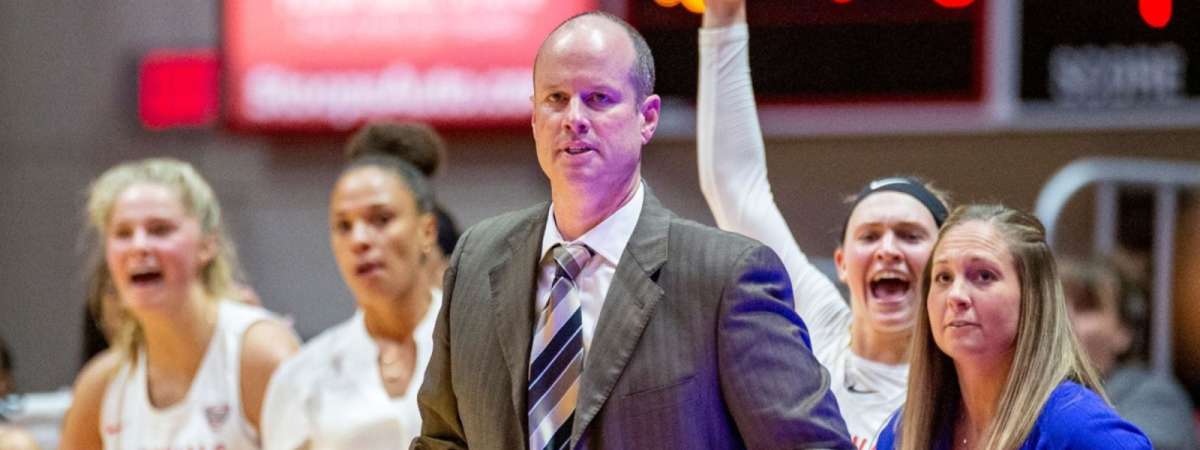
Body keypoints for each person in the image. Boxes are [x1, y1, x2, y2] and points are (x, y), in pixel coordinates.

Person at [413, 11, 851, 450]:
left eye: (599, 98)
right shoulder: (476, 260)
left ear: (648, 117)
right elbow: (442, 439)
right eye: (556, 98)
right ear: (533, 117)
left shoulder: (726, 277)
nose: (573, 118)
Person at [696, 1, 950, 447]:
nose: (887, 248)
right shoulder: (820, 327)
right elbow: (734, 185)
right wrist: (724, 19)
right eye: (869, 236)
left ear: (945, 265)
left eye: (909, 236)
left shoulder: (969, 371)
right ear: (841, 264)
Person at [60, 158, 299, 449]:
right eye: (123, 233)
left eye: (159, 230)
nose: (139, 246)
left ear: (207, 245)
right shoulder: (99, 387)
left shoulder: (260, 355)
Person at [876, 204, 1151, 450]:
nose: (956, 295)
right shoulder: (905, 431)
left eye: (984, 275)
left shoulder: (1077, 428)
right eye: (944, 277)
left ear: (1032, 300)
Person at [261, 122, 444, 450]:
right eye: (343, 226)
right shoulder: (302, 375)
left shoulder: (486, 342)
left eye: (381, 219)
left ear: (427, 231)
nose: (359, 240)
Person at [1061, 258, 1198, 450]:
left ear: (1124, 332)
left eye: (1085, 306)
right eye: (1056, 306)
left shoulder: (1155, 398)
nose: (1065, 318)